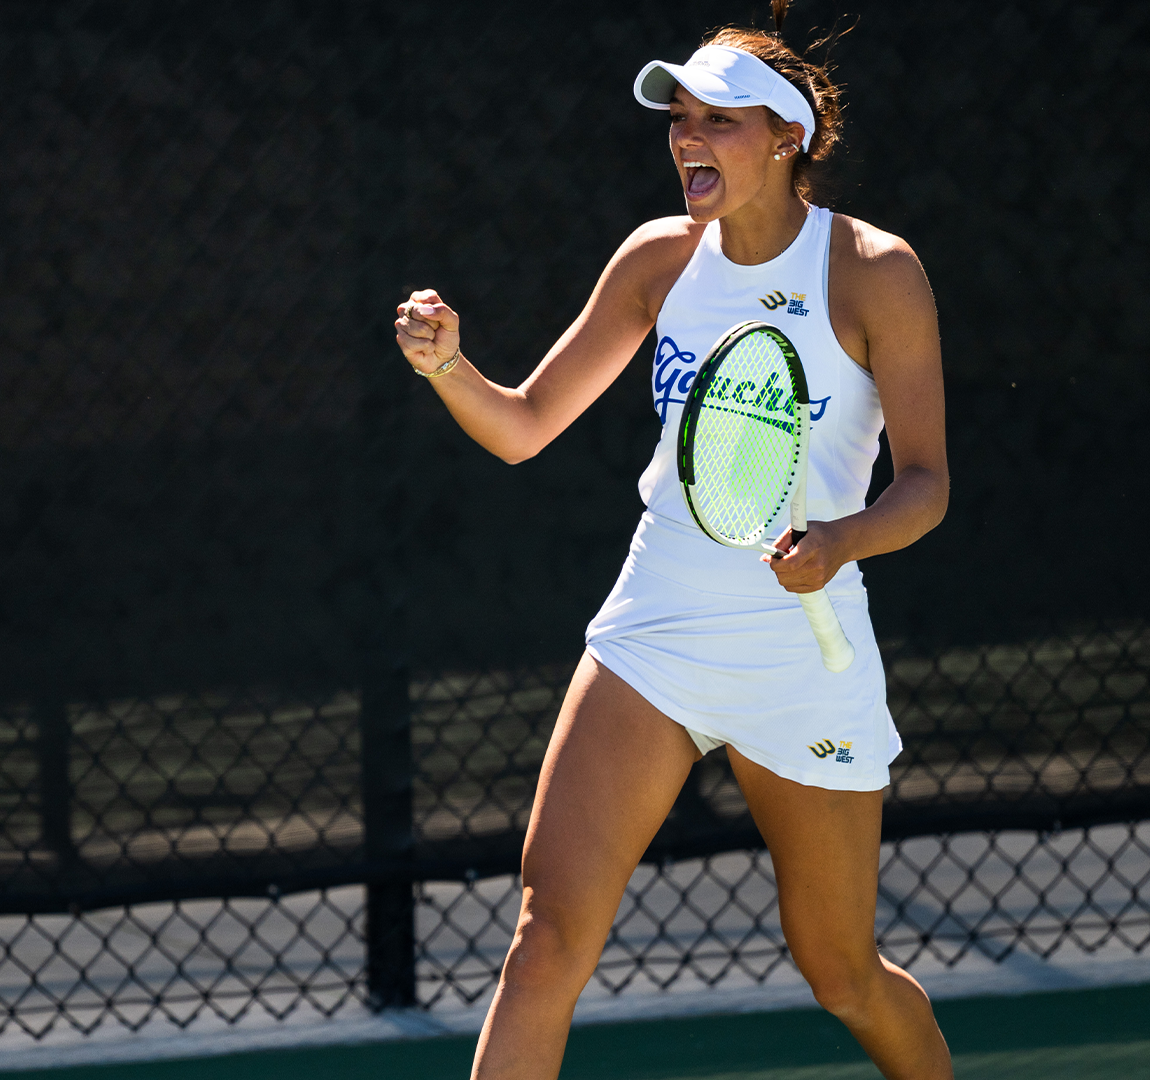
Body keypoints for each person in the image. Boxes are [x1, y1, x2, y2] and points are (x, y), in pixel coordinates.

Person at [392, 7, 951, 1078]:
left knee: (839, 970)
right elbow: (521, 428)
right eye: (679, 119)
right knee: (546, 938)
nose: (688, 138)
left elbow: (924, 486)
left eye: (718, 121)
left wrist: (839, 541)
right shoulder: (657, 260)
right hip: (655, 633)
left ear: (788, 137)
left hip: (802, 653)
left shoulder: (877, 273)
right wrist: (447, 367)